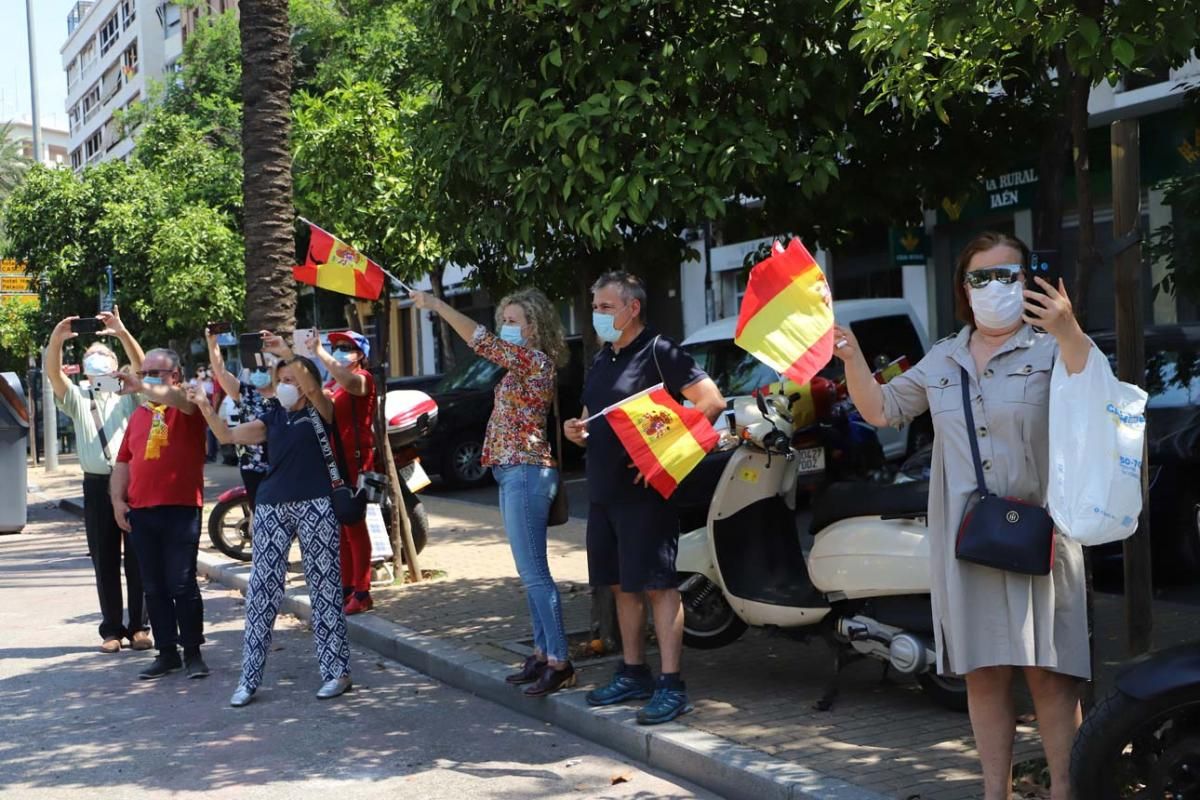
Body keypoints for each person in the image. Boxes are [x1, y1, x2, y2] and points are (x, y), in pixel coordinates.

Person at [833, 232, 1091, 800]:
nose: (995, 287)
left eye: (1009, 274)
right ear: (963, 288)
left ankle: (1067, 791)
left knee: (1051, 677)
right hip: (969, 541)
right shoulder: (943, 357)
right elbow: (881, 409)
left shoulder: (1053, 348)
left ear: (1028, 281)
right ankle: (992, 792)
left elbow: (1098, 397)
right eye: (981, 277)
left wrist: (1069, 328)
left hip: (1043, 537)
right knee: (984, 673)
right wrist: (851, 357)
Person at [562, 272, 725, 725]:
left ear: (633, 308)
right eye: (595, 307)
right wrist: (574, 431)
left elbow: (711, 401)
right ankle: (634, 672)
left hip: (647, 494)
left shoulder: (660, 351)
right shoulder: (601, 359)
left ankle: (672, 685)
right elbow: (587, 421)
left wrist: (666, 455)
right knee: (619, 584)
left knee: (657, 586)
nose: (598, 316)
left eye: (606, 308)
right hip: (603, 493)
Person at [414, 287, 577, 697]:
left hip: (525, 471)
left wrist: (437, 306)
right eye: (504, 319)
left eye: (512, 321)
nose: (506, 328)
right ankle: (543, 653)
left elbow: (479, 340)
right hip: (513, 472)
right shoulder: (521, 366)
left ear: (534, 327)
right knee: (530, 573)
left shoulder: (534, 361)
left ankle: (559, 660)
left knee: (535, 574)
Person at [191, 356, 353, 707]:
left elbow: (313, 390)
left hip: (316, 504)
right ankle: (249, 679)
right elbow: (226, 434)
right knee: (262, 590)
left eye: (292, 378)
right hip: (271, 505)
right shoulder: (273, 416)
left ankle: (336, 671)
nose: (285, 384)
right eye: (281, 378)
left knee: (324, 586)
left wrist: (291, 352)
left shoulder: (321, 410)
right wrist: (205, 406)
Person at [46, 307, 151, 654]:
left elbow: (142, 367)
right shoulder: (79, 397)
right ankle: (111, 629)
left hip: (132, 482)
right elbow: (54, 375)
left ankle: (139, 626)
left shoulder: (130, 394)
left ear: (113, 366)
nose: (96, 362)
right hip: (95, 484)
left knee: (138, 556)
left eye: (101, 357)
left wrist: (121, 332)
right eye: (91, 358)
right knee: (104, 558)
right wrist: (57, 340)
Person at [110, 348, 210, 681]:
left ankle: (193, 652)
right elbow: (123, 461)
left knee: (182, 583)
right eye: (145, 371)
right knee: (152, 586)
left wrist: (140, 384)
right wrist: (117, 501)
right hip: (142, 511)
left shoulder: (187, 405)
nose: (149, 377)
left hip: (181, 509)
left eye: (157, 372)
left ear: (175, 376)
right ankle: (166, 652)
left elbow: (179, 400)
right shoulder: (139, 415)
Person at [307, 329, 377, 616]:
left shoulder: (363, 379)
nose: (339, 350)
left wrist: (320, 354)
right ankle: (347, 587)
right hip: (333, 462)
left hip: (356, 464)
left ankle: (362, 591)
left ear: (360, 354)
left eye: (346, 347)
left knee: (355, 526)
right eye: (335, 346)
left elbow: (351, 383)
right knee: (342, 530)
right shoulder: (332, 383)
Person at [205, 327, 275, 506]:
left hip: (281, 465)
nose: (258, 372)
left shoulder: (287, 394)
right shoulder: (245, 392)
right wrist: (213, 344)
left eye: (264, 368)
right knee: (258, 510)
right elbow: (221, 373)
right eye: (254, 369)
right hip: (252, 466)